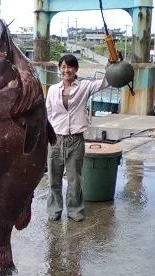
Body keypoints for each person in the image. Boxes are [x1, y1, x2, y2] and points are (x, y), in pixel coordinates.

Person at [46, 54, 109, 222]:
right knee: (54, 178)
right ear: (60, 69)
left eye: (70, 67)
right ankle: (54, 209)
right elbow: (48, 113)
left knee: (74, 179)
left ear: (76, 69)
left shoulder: (84, 86)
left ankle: (74, 210)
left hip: (76, 140)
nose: (67, 70)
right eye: (64, 67)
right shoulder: (53, 89)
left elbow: (105, 82)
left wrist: (110, 65)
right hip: (55, 139)